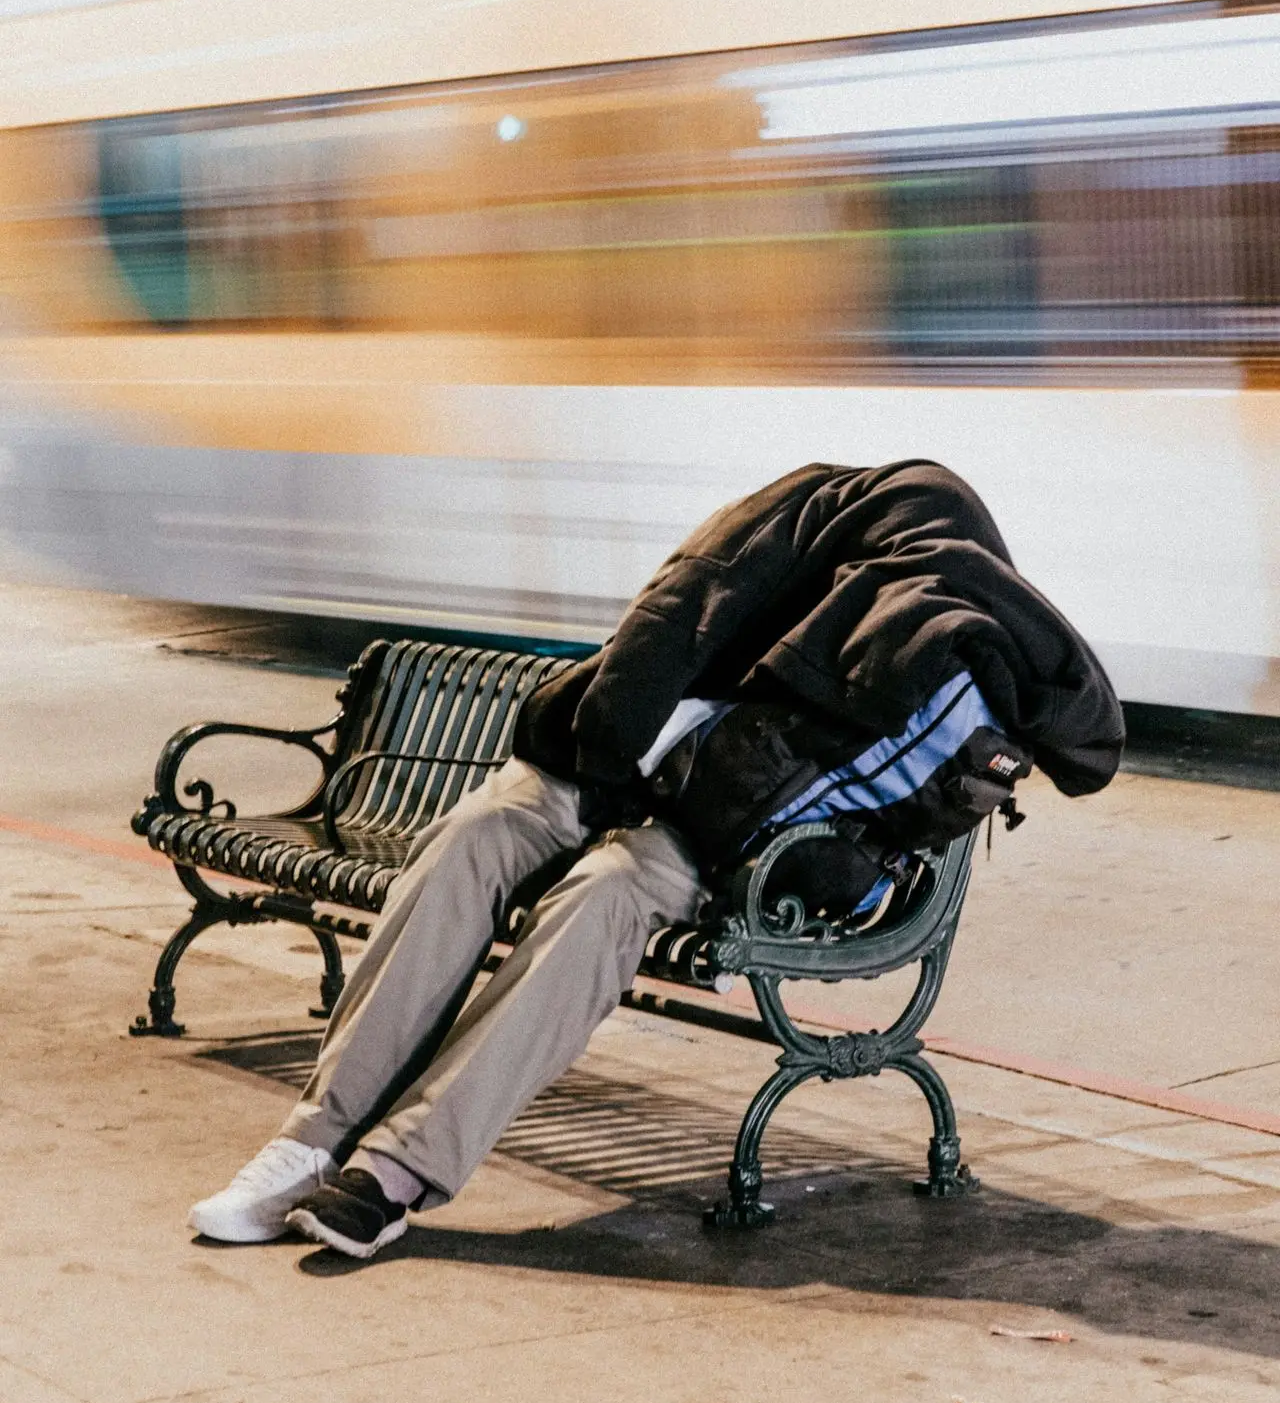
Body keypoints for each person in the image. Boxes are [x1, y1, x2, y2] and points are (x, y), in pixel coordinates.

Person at [189, 460, 1122, 1258]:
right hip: (619, 758)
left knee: (607, 890)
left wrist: (712, 824)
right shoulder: (795, 525)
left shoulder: (929, 645)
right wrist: (605, 762)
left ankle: (396, 1173)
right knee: (479, 834)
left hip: (726, 840)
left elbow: (854, 807)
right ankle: (314, 1139)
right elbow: (667, 622)